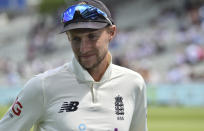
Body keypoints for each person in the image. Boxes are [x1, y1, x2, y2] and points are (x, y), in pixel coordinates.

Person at [0, 0, 147, 131]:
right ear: (68, 38)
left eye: (92, 36)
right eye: (76, 39)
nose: (84, 48)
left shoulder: (134, 83)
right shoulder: (42, 86)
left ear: (111, 32)